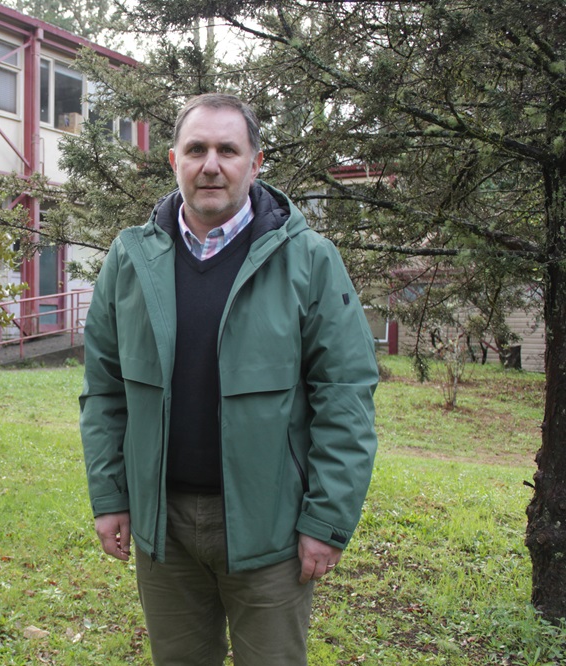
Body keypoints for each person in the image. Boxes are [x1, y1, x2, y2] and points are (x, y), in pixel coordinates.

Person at [79, 93, 378, 666]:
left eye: (227, 150)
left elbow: (346, 398)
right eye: (196, 149)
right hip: (162, 529)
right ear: (174, 160)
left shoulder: (310, 260)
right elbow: (104, 391)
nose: (210, 164)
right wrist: (111, 496)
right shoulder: (129, 258)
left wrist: (326, 520)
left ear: (255, 162)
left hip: (271, 532)